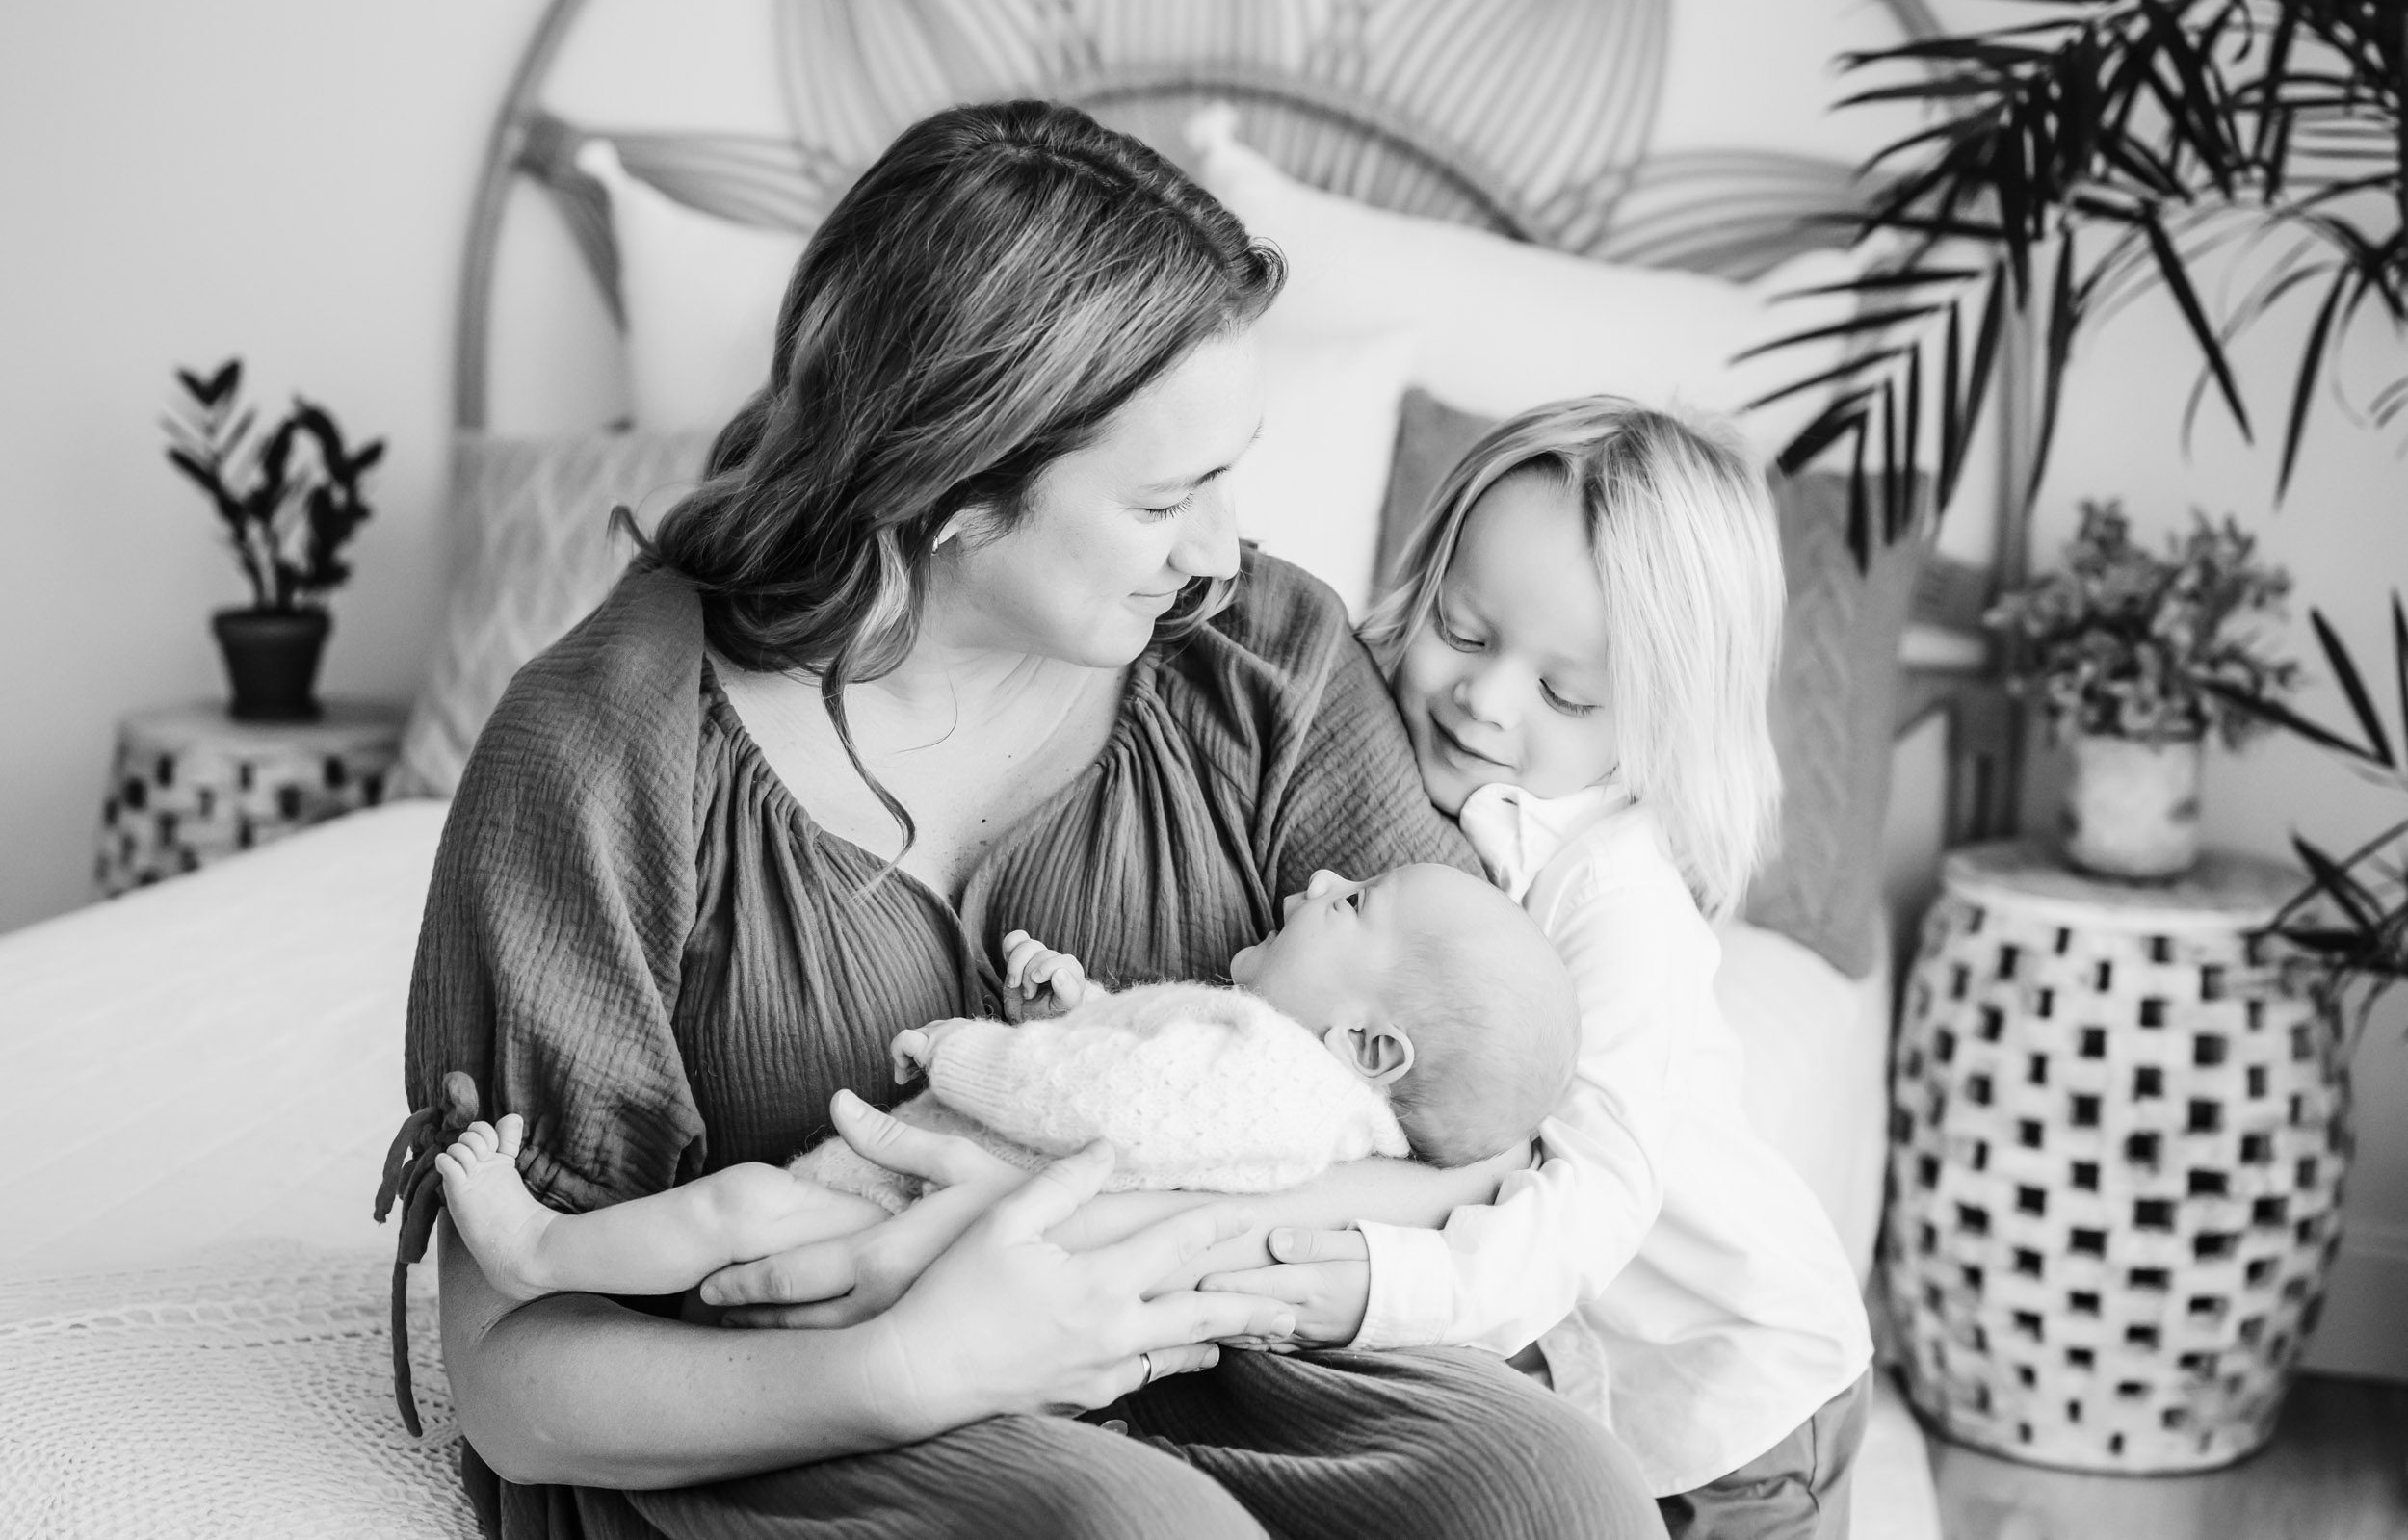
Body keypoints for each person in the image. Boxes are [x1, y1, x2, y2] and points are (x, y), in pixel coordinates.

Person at [390, 101, 1663, 1540]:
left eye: (1228, 475)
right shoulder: (600, 754)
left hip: (1199, 1337)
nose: (1222, 548)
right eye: (1162, 499)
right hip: (782, 1406)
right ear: (949, 480)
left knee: (1564, 1494)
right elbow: (509, 1374)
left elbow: (1480, 1129)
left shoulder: (1264, 659)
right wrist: (907, 1357)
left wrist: (1047, 1242)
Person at [1208, 399, 1874, 1540]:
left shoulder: (1616, 899)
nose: (1486, 698)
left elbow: (1593, 1200)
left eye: (1567, 694)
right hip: (1606, 1372)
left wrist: (1388, 1285)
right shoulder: (1386, 752)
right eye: (1463, 632)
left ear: (1660, 722)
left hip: (1742, 1390)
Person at [432, 861, 1580, 1303]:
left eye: (1354, 904)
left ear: (1373, 1047)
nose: (1324, 873)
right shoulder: (1289, 1081)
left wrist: (964, 1050)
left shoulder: (1285, 1080)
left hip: (932, 1226)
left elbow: (1095, 1106)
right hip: (960, 1225)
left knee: (738, 1205)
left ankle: (539, 1255)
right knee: (744, 1225)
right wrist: (1073, 1009)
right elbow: (1144, 1092)